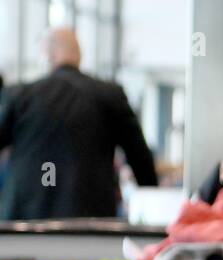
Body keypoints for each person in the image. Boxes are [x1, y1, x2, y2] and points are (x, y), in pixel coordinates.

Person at [0, 28, 157, 220]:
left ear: (49, 55)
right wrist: (153, 202)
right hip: (90, 220)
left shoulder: (19, 96)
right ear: (79, 55)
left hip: (23, 219)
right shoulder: (109, 95)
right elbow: (140, 158)